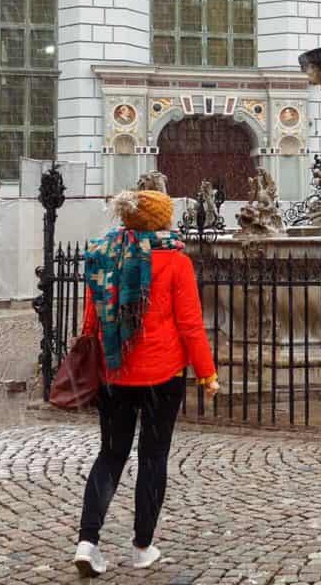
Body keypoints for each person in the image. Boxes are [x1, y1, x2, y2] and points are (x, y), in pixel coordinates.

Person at [74, 187, 219, 578]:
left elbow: (92, 316)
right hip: (162, 375)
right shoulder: (175, 261)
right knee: (152, 458)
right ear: (162, 220)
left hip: (114, 372)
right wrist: (207, 372)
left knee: (110, 455)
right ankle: (142, 547)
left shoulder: (104, 254)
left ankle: (87, 542)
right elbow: (189, 323)